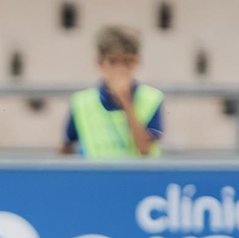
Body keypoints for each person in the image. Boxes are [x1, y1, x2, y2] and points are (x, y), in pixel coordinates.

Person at [61, 25, 165, 158]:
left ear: (137, 63)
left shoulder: (152, 99)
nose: (120, 69)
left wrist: (126, 102)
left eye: (128, 62)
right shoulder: (81, 102)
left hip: (138, 178)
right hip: (96, 177)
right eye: (113, 61)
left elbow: (145, 149)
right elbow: (67, 146)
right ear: (100, 63)